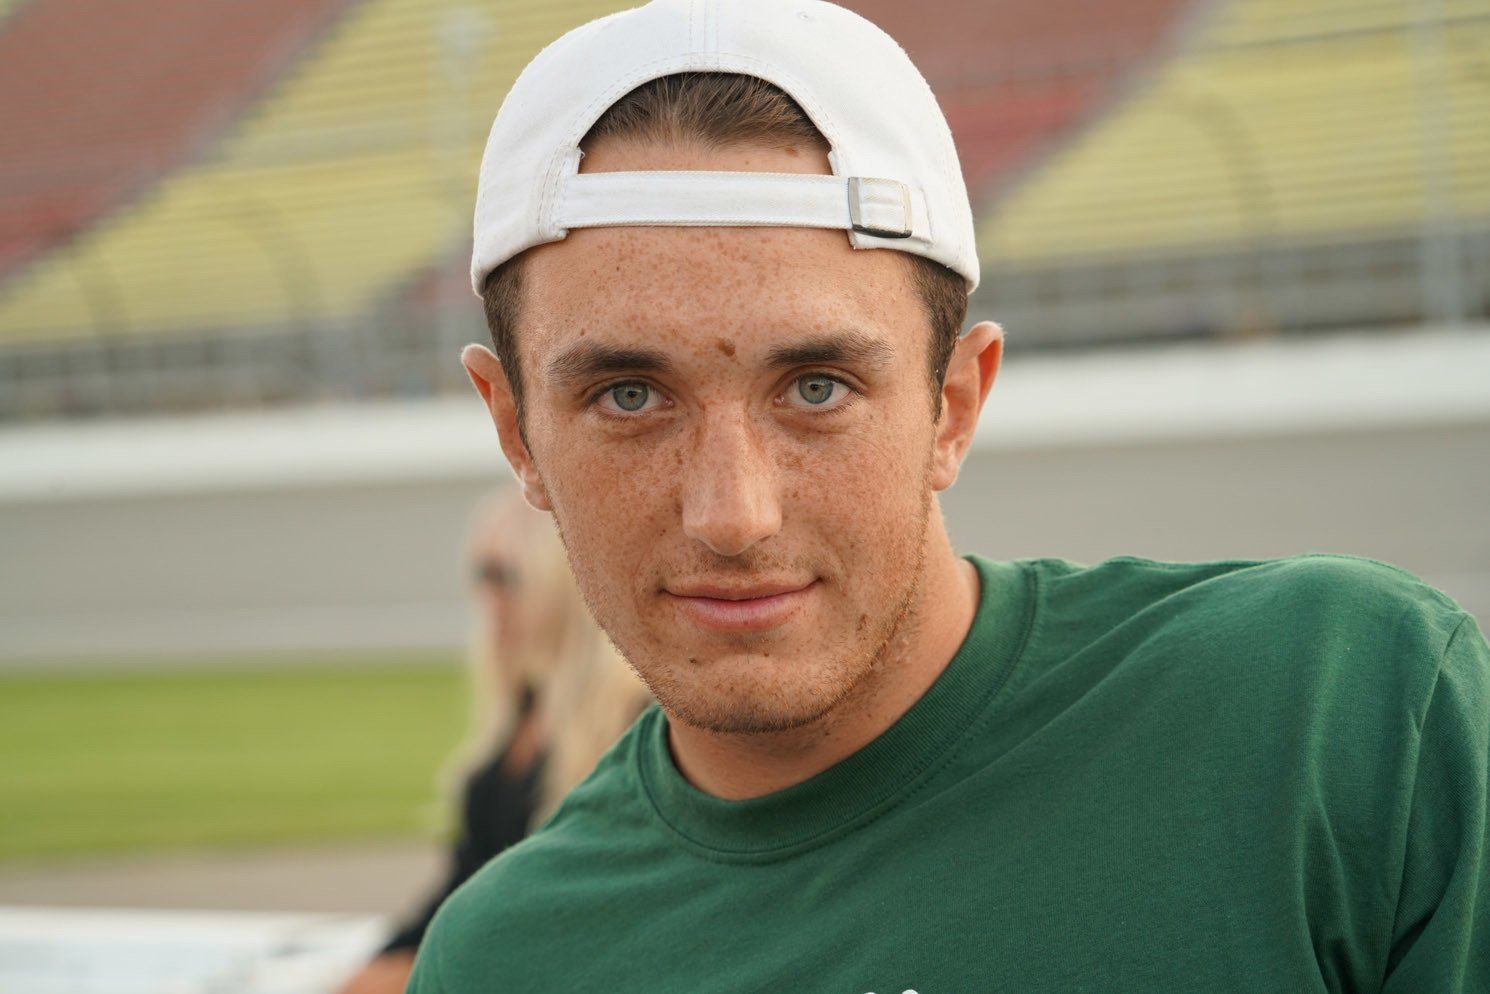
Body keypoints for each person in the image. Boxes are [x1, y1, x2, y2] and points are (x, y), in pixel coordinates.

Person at [409, 2, 1490, 990]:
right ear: (514, 428)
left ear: (954, 403)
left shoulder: (1340, 713)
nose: (732, 514)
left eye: (816, 387)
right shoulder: (505, 959)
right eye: (629, 394)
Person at [336, 488, 649, 994]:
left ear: (560, 581)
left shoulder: (635, 724)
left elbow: (593, 921)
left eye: (504, 577)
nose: (489, 600)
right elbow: (465, 883)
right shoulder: (525, 708)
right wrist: (384, 962)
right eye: (480, 576)